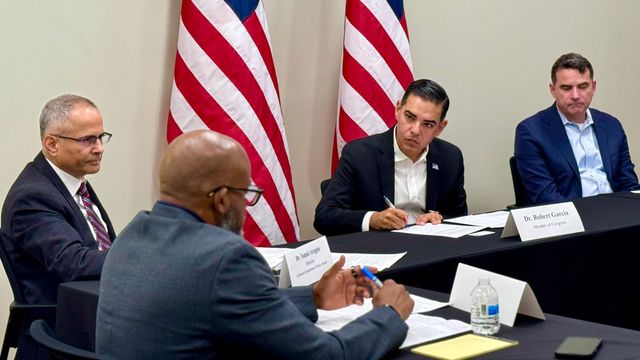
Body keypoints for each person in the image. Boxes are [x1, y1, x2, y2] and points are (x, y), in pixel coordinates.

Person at [95, 130, 414, 359]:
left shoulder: (132, 235)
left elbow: (213, 305)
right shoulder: (226, 258)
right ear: (221, 199)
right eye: (245, 194)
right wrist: (387, 314)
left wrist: (313, 297)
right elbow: (326, 354)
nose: (248, 206)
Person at [1, 94, 115, 359]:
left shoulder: (74, 183)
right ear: (52, 144)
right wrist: (138, 257)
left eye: (101, 137)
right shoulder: (33, 196)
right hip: (60, 337)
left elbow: (97, 247)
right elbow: (73, 263)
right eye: (88, 139)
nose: (99, 148)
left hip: (93, 317)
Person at [314, 79, 467, 236]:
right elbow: (325, 217)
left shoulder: (450, 158)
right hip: (378, 250)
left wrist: (439, 220)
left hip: (430, 248)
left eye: (427, 124)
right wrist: (373, 219)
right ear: (398, 109)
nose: (415, 130)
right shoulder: (359, 154)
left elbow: (461, 218)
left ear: (440, 128)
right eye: (410, 117)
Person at [514, 53, 639, 205]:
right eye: (566, 88)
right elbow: (545, 196)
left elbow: (628, 183)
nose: (575, 95)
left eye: (582, 86)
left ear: (593, 87)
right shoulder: (531, 132)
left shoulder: (611, 125)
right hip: (570, 220)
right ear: (553, 90)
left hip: (617, 215)